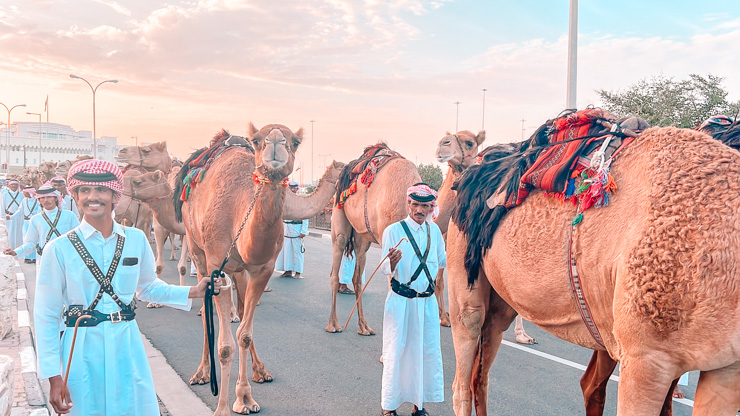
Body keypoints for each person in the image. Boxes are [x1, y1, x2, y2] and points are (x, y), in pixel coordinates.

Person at [33, 159, 221, 415]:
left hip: (127, 343)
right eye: (85, 191)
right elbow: (46, 315)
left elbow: (148, 288)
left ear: (114, 196)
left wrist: (195, 291)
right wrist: (54, 376)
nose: (92, 197)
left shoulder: (135, 240)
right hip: (81, 348)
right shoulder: (59, 249)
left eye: (100, 190)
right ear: (75, 196)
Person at [379, 183, 446, 416]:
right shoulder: (393, 231)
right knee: (396, 352)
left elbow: (442, 261)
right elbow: (384, 268)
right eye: (415, 204)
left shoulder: (434, 231)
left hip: (426, 304)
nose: (419, 209)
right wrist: (393, 262)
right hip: (401, 303)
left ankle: (419, 405)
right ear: (408, 203)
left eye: (424, 206)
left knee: (424, 353)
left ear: (431, 207)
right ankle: (389, 407)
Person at [4, 184, 78, 272]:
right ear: (39, 200)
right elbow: (31, 242)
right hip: (44, 260)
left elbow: (78, 238)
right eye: (42, 198)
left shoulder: (69, 216)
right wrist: (16, 251)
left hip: (65, 260)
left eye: (49, 197)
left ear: (55, 198)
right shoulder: (36, 219)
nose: (46, 200)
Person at [276, 182, 309, 279]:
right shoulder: (284, 200)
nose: (293, 190)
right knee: (286, 252)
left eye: (295, 188)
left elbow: (305, 216)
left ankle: (298, 272)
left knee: (297, 252)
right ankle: (288, 271)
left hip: (297, 229)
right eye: (291, 188)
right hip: (286, 228)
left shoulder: (301, 201)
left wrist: (303, 231)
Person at [1, 178, 24, 250]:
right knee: (9, 232)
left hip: (19, 216)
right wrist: (2, 216)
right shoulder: (5, 194)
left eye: (15, 185)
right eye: (12, 184)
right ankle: (10, 247)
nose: (14, 186)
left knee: (19, 232)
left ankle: (18, 248)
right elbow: (2, 205)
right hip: (9, 216)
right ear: (9, 186)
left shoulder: (22, 194)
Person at [20, 185, 41, 263]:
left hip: (34, 223)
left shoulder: (37, 201)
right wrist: (11, 217)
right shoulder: (24, 200)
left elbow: (39, 212)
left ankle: (35, 257)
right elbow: (20, 210)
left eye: (25, 192)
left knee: (35, 240)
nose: (24, 194)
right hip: (25, 223)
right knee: (26, 240)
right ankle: (28, 257)